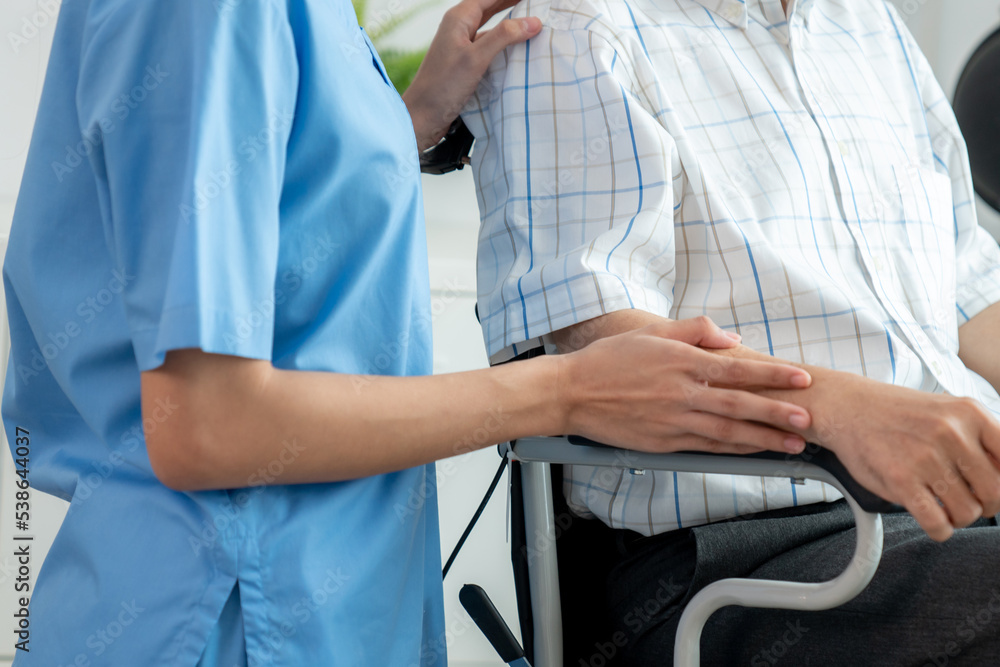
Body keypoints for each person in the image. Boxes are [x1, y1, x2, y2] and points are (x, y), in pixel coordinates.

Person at [0, 0, 821, 664]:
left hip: (332, 603)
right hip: (227, 611)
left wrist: (405, 122)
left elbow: (275, 207)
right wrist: (566, 387)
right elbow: (207, 426)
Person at [462, 0, 1000, 663]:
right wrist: (839, 412)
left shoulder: (869, 23)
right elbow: (606, 348)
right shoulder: (577, 24)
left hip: (955, 522)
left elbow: (970, 296)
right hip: (741, 561)